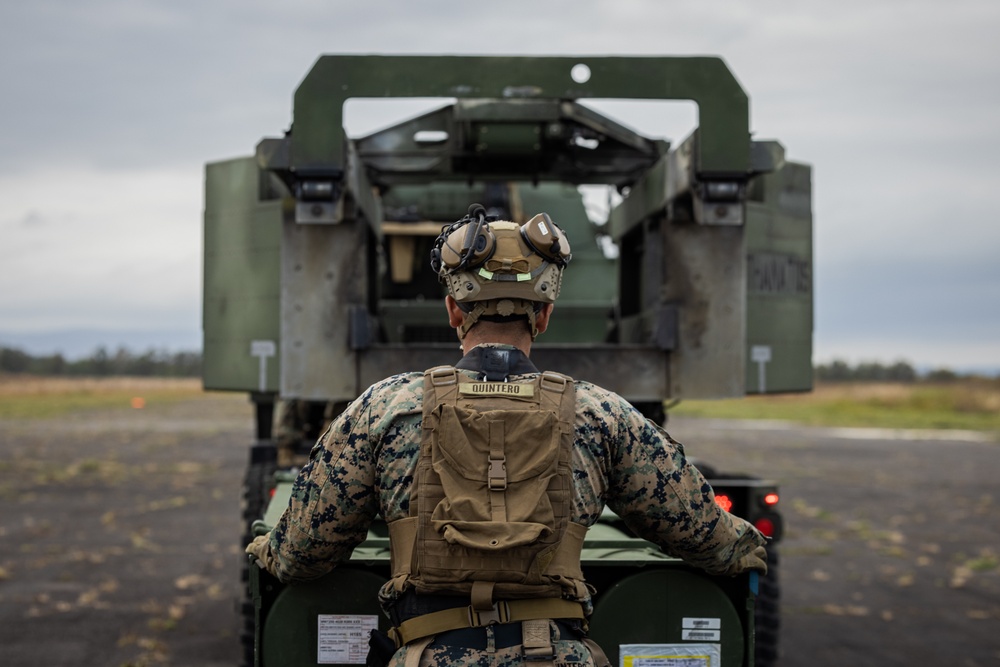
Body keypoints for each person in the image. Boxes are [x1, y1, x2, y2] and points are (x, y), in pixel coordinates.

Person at [247, 204, 767, 667]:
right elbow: (711, 541)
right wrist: (750, 546)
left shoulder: (385, 409)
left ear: (454, 311)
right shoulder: (603, 415)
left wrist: (263, 547)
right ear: (544, 315)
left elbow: (301, 553)